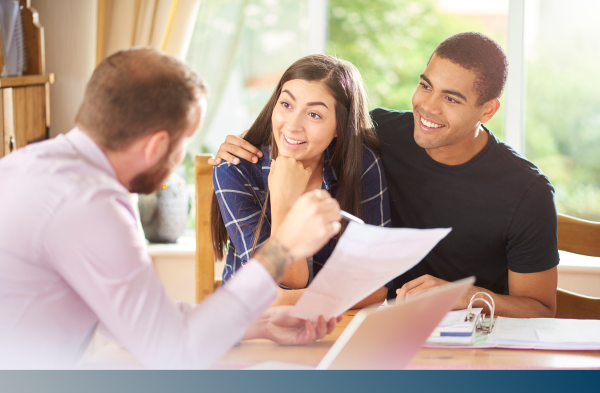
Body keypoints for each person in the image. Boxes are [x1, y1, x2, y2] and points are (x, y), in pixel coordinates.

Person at [0, 48, 343, 369]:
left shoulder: (29, 165)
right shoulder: (91, 203)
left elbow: (136, 324)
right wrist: (282, 249)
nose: (179, 159)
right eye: (184, 144)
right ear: (156, 146)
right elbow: (173, 352)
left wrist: (263, 324)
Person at [208, 32, 559, 318]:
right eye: (425, 86)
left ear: (488, 110)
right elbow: (300, 126)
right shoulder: (378, 136)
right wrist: (240, 151)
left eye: (451, 99)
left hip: (462, 333)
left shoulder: (526, 192)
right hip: (368, 320)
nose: (428, 107)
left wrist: (465, 295)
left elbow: (541, 309)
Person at [211, 54, 391, 307]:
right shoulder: (236, 170)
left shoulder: (360, 165)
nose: (292, 125)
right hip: (250, 327)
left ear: (340, 126)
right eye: (286, 105)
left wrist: (287, 300)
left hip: (331, 324)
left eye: (314, 114)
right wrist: (285, 199)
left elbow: (377, 286)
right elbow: (287, 278)